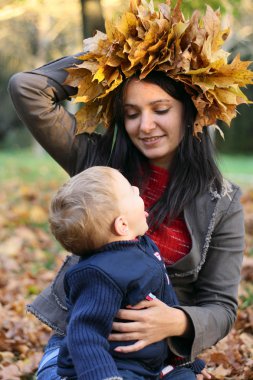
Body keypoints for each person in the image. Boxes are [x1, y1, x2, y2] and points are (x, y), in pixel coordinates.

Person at [8, 1, 252, 379]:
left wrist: (176, 322)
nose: (145, 125)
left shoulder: (221, 201)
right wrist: (114, 60)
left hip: (160, 358)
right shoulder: (99, 166)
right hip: (82, 346)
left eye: (160, 108)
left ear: (190, 111)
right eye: (132, 112)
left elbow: (220, 306)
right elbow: (28, 88)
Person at [48, 165, 205, 379]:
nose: (137, 190)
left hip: (150, 363)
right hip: (114, 366)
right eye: (130, 191)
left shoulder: (144, 247)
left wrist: (184, 360)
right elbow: (85, 334)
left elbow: (165, 304)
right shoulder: (98, 275)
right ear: (122, 225)